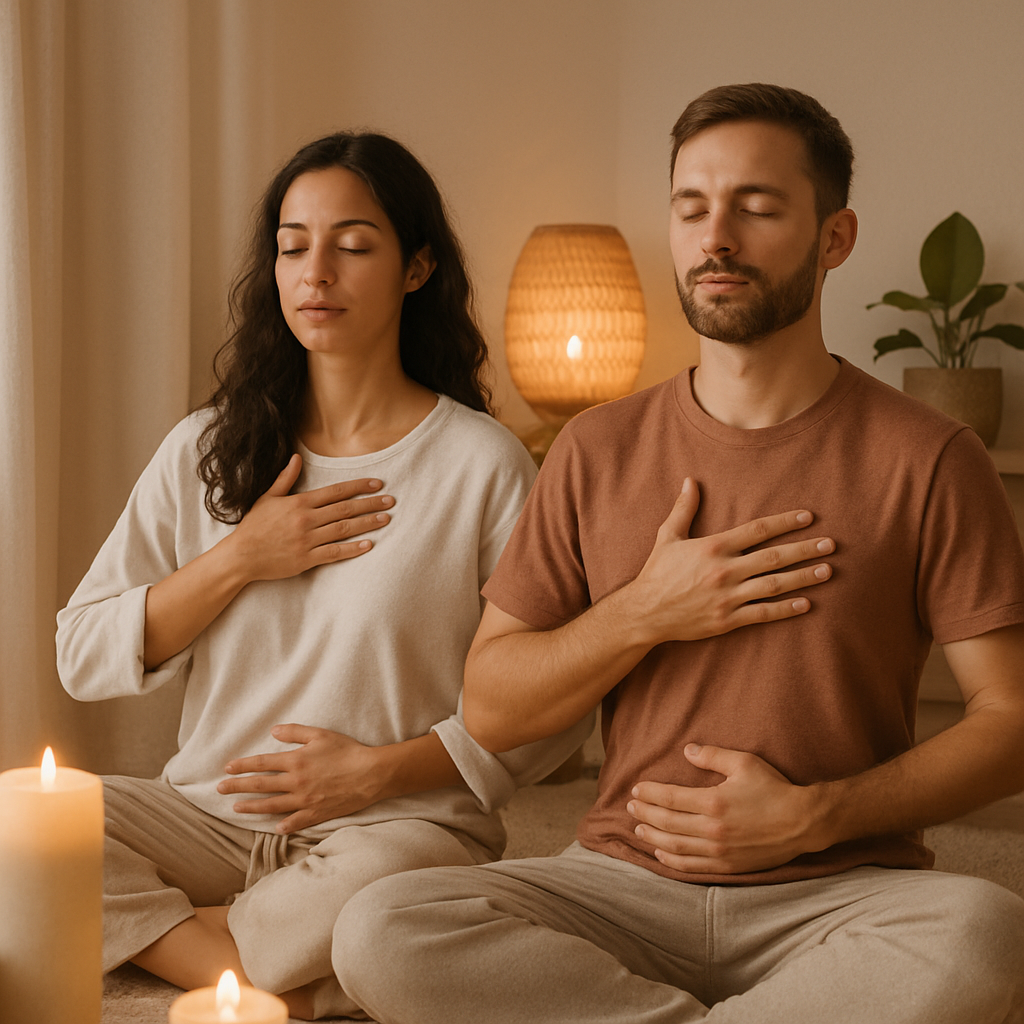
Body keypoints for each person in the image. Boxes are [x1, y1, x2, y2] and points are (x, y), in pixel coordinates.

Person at [332, 85, 1024, 1023]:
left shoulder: (932, 457)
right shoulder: (597, 447)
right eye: (691, 207)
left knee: (988, 932)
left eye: (758, 205)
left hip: (841, 892)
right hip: (621, 888)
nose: (717, 237)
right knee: (380, 927)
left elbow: (1009, 719)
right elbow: (491, 705)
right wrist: (644, 611)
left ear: (835, 237)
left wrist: (817, 816)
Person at [56, 131, 606, 1020]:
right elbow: (80, 652)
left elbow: (553, 714)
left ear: (416, 267)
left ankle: (202, 948)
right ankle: (264, 967)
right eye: (293, 245)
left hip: (395, 832)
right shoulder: (206, 448)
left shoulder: (482, 466)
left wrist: (378, 774)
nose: (317, 272)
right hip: (203, 816)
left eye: (353, 246)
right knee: (24, 830)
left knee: (391, 894)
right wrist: (241, 557)